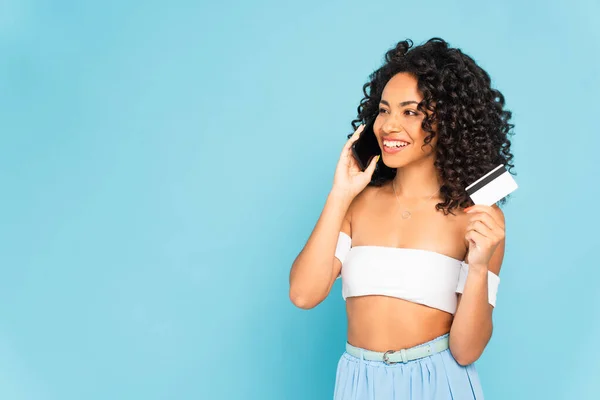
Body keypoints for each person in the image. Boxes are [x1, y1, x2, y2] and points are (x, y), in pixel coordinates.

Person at [288, 37, 516, 399]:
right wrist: (339, 194)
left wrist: (478, 264)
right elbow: (303, 294)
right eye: (383, 110)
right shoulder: (355, 206)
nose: (389, 126)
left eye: (410, 111)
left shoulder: (476, 219)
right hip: (359, 383)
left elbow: (466, 350)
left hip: (438, 382)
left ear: (448, 121)